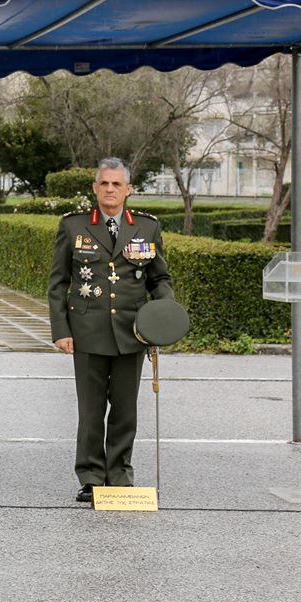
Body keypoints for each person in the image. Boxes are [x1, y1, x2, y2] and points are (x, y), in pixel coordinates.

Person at [47, 157, 174, 504]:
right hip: (86, 332)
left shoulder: (146, 228)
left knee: (124, 411)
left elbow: (159, 278)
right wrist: (61, 329)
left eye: (117, 184)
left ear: (128, 189)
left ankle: (119, 475)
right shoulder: (74, 227)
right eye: (104, 183)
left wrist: (163, 317)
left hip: (132, 334)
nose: (110, 189)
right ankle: (91, 477)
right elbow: (58, 283)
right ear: (94, 188)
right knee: (90, 412)